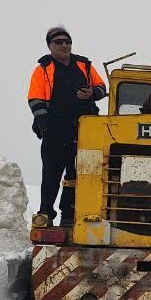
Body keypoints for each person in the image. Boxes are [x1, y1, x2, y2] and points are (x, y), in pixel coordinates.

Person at [27, 26, 106, 226]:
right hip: (55, 128)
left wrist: (92, 93)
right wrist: (45, 126)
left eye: (67, 41)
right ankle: (45, 214)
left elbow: (102, 87)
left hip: (84, 128)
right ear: (50, 46)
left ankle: (69, 216)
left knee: (78, 173)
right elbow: (35, 99)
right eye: (59, 42)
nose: (64, 45)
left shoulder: (84, 65)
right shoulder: (43, 69)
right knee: (52, 173)